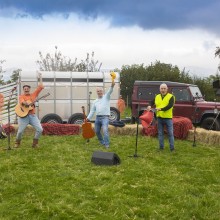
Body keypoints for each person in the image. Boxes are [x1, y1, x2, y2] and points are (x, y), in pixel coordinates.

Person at [15, 72, 44, 148]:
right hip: (23, 117)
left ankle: (35, 143)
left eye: (27, 88)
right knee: (20, 131)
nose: (26, 89)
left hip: (32, 116)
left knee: (40, 129)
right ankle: (17, 142)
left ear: (29, 89)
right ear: (23, 90)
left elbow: (40, 87)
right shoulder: (21, 96)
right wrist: (26, 103)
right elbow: (22, 102)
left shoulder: (33, 95)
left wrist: (40, 77)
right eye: (25, 89)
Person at [146, 83, 175, 152]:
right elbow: (151, 102)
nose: (163, 90)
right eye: (162, 88)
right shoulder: (157, 96)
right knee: (160, 133)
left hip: (168, 118)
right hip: (159, 118)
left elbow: (169, 106)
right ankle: (161, 147)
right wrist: (149, 105)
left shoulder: (171, 97)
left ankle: (172, 148)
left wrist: (160, 109)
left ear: (167, 89)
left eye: (164, 88)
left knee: (170, 133)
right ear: (159, 89)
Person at [86, 80, 115, 148]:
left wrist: (112, 86)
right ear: (97, 92)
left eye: (100, 91)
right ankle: (102, 142)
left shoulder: (106, 97)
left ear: (102, 91)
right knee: (97, 131)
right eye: (98, 91)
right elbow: (92, 111)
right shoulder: (95, 101)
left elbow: (110, 91)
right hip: (97, 118)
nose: (99, 92)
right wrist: (88, 118)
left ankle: (107, 144)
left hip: (105, 117)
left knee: (105, 130)